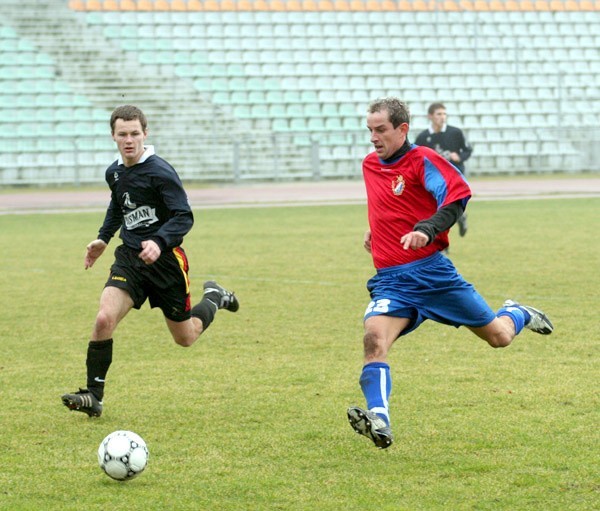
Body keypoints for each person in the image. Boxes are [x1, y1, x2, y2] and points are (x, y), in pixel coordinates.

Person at [347, 97, 553, 449]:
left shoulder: (424, 161)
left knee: (498, 337)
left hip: (433, 275)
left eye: (380, 130)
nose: (373, 138)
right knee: (373, 340)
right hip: (392, 282)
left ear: (402, 129)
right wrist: (375, 230)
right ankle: (379, 419)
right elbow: (386, 204)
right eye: (370, 130)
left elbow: (456, 199)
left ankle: (517, 313)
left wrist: (426, 230)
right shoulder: (370, 164)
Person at [62, 105, 239, 418]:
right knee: (104, 319)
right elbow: (118, 206)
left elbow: (184, 216)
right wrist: (103, 238)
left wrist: (159, 241)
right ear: (113, 136)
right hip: (129, 258)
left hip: (167, 263)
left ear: (145, 133)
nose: (129, 140)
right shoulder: (114, 172)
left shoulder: (160, 171)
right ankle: (94, 394)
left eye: (134, 133)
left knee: (185, 338)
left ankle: (214, 297)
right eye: (122, 134)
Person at [415, 102, 472, 237]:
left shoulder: (455, 132)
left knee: (443, 209)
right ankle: (459, 219)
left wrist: (459, 156)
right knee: (437, 211)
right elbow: (415, 157)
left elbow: (468, 150)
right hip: (433, 179)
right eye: (439, 114)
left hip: (453, 176)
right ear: (430, 116)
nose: (442, 117)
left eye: (444, 114)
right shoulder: (423, 137)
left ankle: (458, 220)